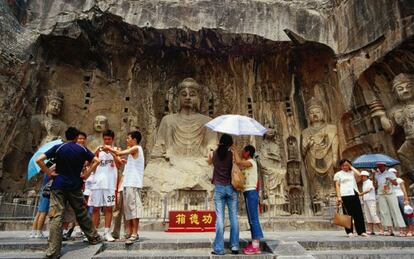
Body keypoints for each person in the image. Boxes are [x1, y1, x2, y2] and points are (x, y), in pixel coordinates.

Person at [36, 127, 102, 259]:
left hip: (58, 185)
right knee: (81, 213)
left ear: (66, 136)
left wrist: (49, 172)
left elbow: (39, 160)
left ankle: (53, 251)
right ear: (76, 137)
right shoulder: (81, 149)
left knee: (56, 217)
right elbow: (97, 161)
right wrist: (86, 174)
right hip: (75, 186)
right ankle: (93, 238)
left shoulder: (59, 147)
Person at [105, 131, 144, 244]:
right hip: (128, 184)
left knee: (134, 210)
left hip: (133, 184)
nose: (127, 140)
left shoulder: (136, 148)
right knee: (129, 211)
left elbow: (121, 152)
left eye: (128, 138)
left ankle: (135, 233)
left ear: (134, 140)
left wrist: (109, 149)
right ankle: (131, 233)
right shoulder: (133, 152)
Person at [208, 134, 239, 255]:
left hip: (219, 188)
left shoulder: (215, 154)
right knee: (233, 218)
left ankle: (219, 248)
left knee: (220, 218)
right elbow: (239, 162)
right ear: (230, 144)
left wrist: (215, 148)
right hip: (231, 188)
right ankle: (235, 246)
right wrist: (235, 149)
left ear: (220, 142)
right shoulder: (232, 155)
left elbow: (209, 162)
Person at [88, 129, 122, 242]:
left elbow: (119, 165)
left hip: (110, 185)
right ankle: (93, 233)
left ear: (112, 139)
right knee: (96, 209)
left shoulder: (116, 150)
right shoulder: (99, 150)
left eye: (109, 139)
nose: (107, 141)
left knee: (108, 208)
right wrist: (96, 150)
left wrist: (111, 151)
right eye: (105, 139)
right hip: (97, 184)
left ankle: (107, 232)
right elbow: (88, 162)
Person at [233, 145, 263, 255]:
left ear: (248, 152)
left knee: (253, 218)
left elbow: (239, 162)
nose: (242, 153)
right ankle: (254, 242)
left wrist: (235, 150)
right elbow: (238, 164)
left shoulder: (251, 162)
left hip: (251, 193)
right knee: (251, 218)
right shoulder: (247, 165)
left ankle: (256, 245)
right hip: (248, 193)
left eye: (243, 151)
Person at [334, 159, 367, 237]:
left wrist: (351, 167)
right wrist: (339, 196)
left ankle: (361, 231)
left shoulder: (352, 173)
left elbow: (359, 175)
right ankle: (349, 232)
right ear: (341, 166)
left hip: (354, 193)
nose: (345, 167)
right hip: (345, 194)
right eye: (343, 165)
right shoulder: (338, 174)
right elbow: (337, 185)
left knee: (358, 213)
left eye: (346, 165)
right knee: (347, 214)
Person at [373, 162, 406, 236]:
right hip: (381, 194)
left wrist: (390, 179)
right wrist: (373, 178)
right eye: (379, 166)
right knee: (384, 211)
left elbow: (396, 183)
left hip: (390, 193)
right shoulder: (377, 175)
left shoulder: (390, 174)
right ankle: (389, 230)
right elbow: (375, 186)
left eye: (381, 166)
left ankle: (401, 229)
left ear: (385, 166)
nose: (380, 168)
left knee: (395, 210)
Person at [359, 171, 383, 235]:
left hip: (371, 200)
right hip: (365, 200)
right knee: (367, 215)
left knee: (373, 214)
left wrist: (361, 193)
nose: (362, 177)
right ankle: (371, 230)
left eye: (363, 176)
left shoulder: (370, 182)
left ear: (366, 176)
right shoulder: (364, 183)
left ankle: (381, 229)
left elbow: (369, 190)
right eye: (361, 176)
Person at [389, 168, 410, 236]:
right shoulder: (389, 181)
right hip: (393, 197)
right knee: (398, 214)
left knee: (405, 213)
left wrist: (406, 199)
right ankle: (402, 229)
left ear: (396, 173)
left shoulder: (399, 180)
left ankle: (409, 229)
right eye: (391, 173)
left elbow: (404, 190)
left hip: (400, 196)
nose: (392, 174)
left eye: (393, 172)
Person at [30, 173, 50, 239]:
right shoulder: (49, 172)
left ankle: (33, 232)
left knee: (39, 213)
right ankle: (38, 232)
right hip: (47, 193)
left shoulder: (45, 173)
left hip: (43, 192)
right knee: (43, 213)